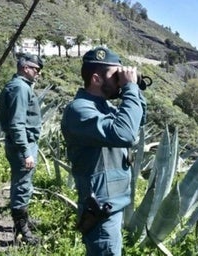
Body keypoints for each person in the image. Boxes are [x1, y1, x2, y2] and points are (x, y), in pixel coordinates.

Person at [61, 46, 146, 255]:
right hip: (100, 210)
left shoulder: (104, 107)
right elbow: (125, 134)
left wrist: (135, 88)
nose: (119, 79)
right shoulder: (80, 110)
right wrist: (129, 89)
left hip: (113, 204)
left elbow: (138, 119)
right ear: (97, 79)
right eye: (114, 75)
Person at [0, 53, 43, 245]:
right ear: (26, 68)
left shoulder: (18, 85)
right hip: (22, 145)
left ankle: (22, 221)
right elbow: (17, 123)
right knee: (22, 186)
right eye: (36, 69)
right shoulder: (20, 88)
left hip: (20, 143)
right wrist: (26, 152)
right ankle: (23, 232)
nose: (38, 74)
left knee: (20, 183)